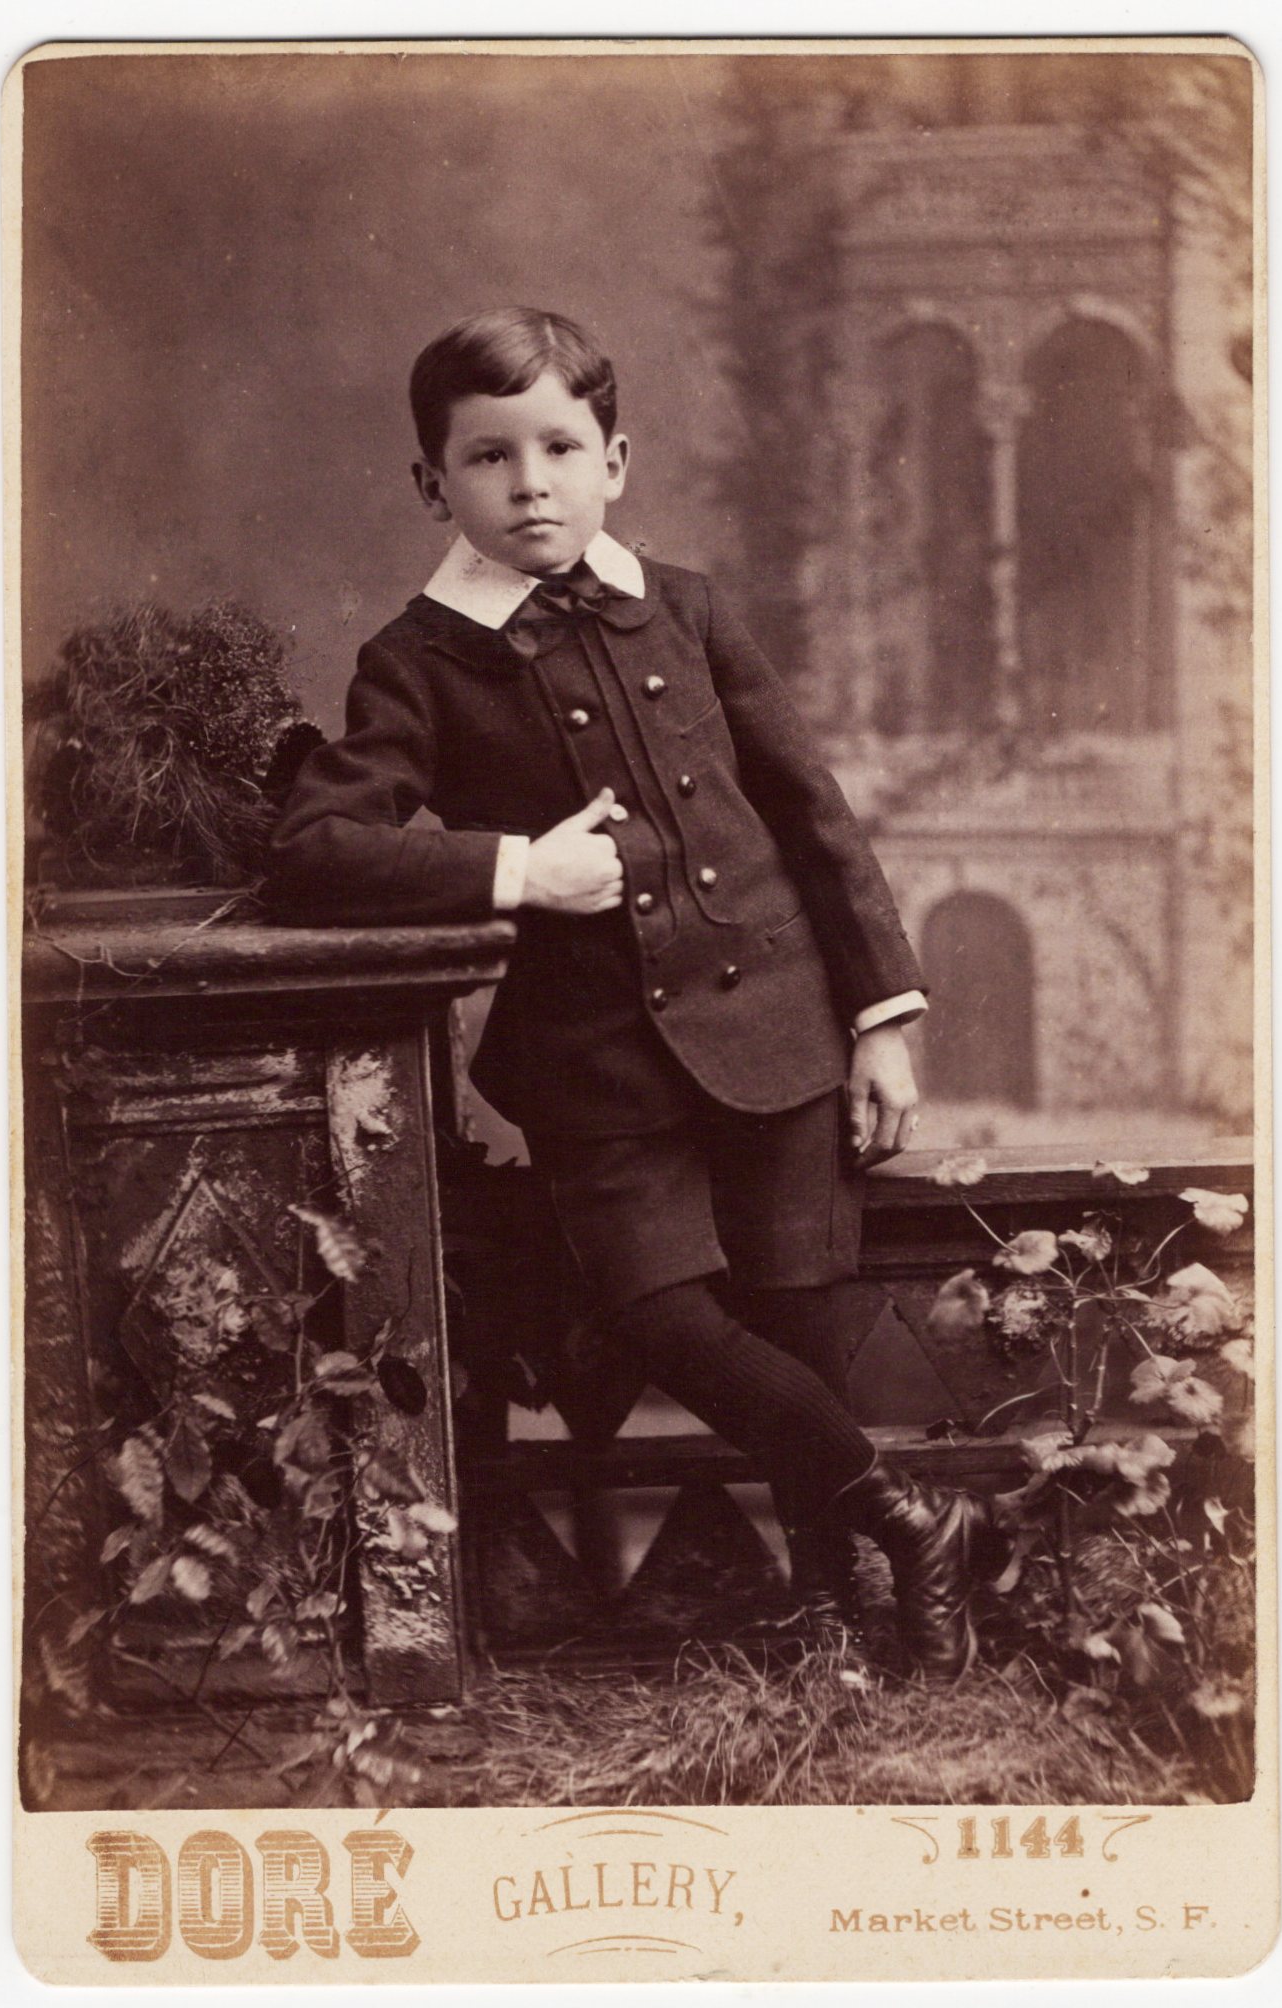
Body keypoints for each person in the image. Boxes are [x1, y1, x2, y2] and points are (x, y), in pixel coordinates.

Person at [267, 305, 1005, 1678]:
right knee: (659, 1313)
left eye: (560, 448)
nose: (529, 484)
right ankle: (917, 1519)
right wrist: (518, 872)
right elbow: (315, 849)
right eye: (489, 457)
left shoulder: (691, 605)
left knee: (798, 1319)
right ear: (434, 485)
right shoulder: (418, 660)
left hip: (779, 1023)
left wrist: (884, 1019)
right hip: (596, 1061)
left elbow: (814, 816)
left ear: (615, 460)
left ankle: (841, 1628)